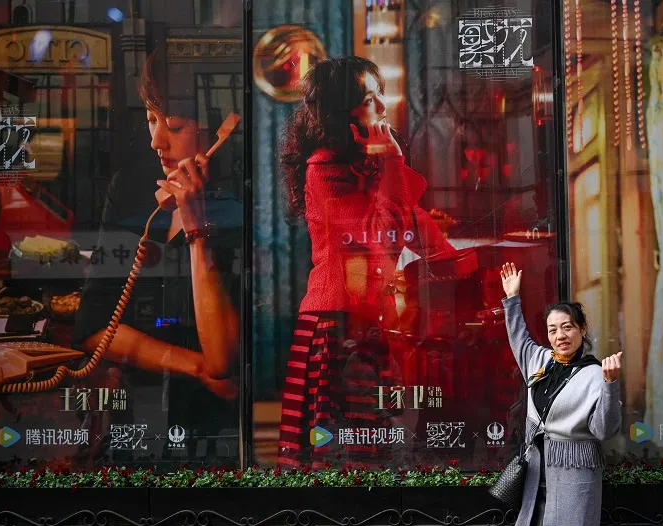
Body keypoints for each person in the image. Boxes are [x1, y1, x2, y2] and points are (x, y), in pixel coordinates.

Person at [277, 56, 455, 467]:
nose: (381, 104)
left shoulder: (367, 166)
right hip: (336, 323)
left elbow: (421, 229)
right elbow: (381, 236)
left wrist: (461, 263)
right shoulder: (324, 170)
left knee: (368, 447)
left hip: (368, 321)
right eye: (366, 98)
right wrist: (392, 161)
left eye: (380, 93)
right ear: (340, 112)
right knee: (341, 454)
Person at [73, 49, 241, 459]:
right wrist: (193, 365)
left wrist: (196, 226)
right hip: (140, 406)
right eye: (151, 120)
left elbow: (223, 358)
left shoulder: (237, 199)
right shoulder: (129, 188)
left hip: (221, 422)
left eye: (174, 125)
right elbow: (93, 326)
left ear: (215, 132)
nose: (156, 141)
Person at [497, 262, 622, 526]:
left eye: (567, 327)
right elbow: (519, 337)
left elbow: (604, 429)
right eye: (552, 330)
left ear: (582, 329)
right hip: (536, 477)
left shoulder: (595, 374)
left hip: (574, 477)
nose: (560, 336)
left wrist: (610, 387)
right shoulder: (539, 362)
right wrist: (512, 299)